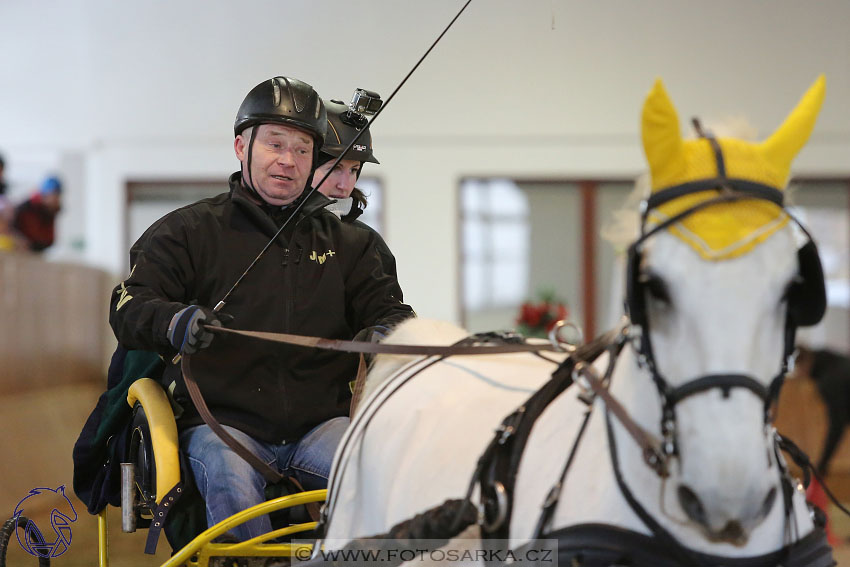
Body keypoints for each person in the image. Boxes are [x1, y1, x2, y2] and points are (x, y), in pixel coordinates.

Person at [108, 76, 414, 542]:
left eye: (302, 150)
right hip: (221, 427)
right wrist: (175, 320)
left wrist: (385, 335)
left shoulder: (355, 246)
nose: (287, 161)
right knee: (230, 482)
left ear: (315, 161)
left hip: (322, 426)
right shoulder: (185, 232)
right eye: (275, 144)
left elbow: (391, 311)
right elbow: (129, 305)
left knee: (376, 478)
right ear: (240, 146)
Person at [312, 96, 400, 282]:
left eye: (354, 170)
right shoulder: (275, 234)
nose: (344, 185)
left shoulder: (370, 245)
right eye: (334, 169)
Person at [13, 175, 62, 252]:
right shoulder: (27, 208)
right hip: (20, 249)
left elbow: (49, 239)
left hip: (35, 250)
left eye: (57, 196)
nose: (56, 200)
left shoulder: (49, 211)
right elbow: (30, 237)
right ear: (45, 194)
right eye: (54, 195)